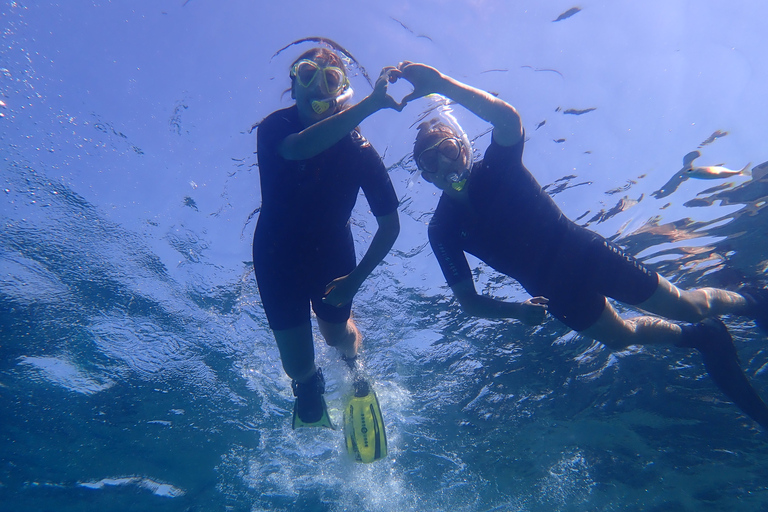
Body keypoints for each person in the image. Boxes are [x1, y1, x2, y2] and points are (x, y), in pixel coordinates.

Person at [390, 61, 768, 428]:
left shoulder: (497, 167)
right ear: (423, 175)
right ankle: (700, 338)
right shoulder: (441, 230)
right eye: (430, 160)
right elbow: (468, 301)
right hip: (553, 292)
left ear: (463, 148)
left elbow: (509, 120)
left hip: (586, 254)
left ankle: (750, 299)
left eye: (448, 150)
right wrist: (516, 312)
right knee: (620, 338)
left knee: (687, 306)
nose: (443, 164)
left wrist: (442, 84)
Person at [253, 48, 402, 428]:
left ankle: (354, 365)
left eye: (330, 78)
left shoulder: (359, 150)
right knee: (297, 366)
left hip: (332, 257)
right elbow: (299, 148)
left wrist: (357, 279)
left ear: (341, 91)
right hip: (276, 256)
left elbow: (390, 226)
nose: (317, 86)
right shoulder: (275, 128)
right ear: (293, 83)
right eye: (307, 74)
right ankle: (308, 385)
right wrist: (369, 106)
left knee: (337, 333)